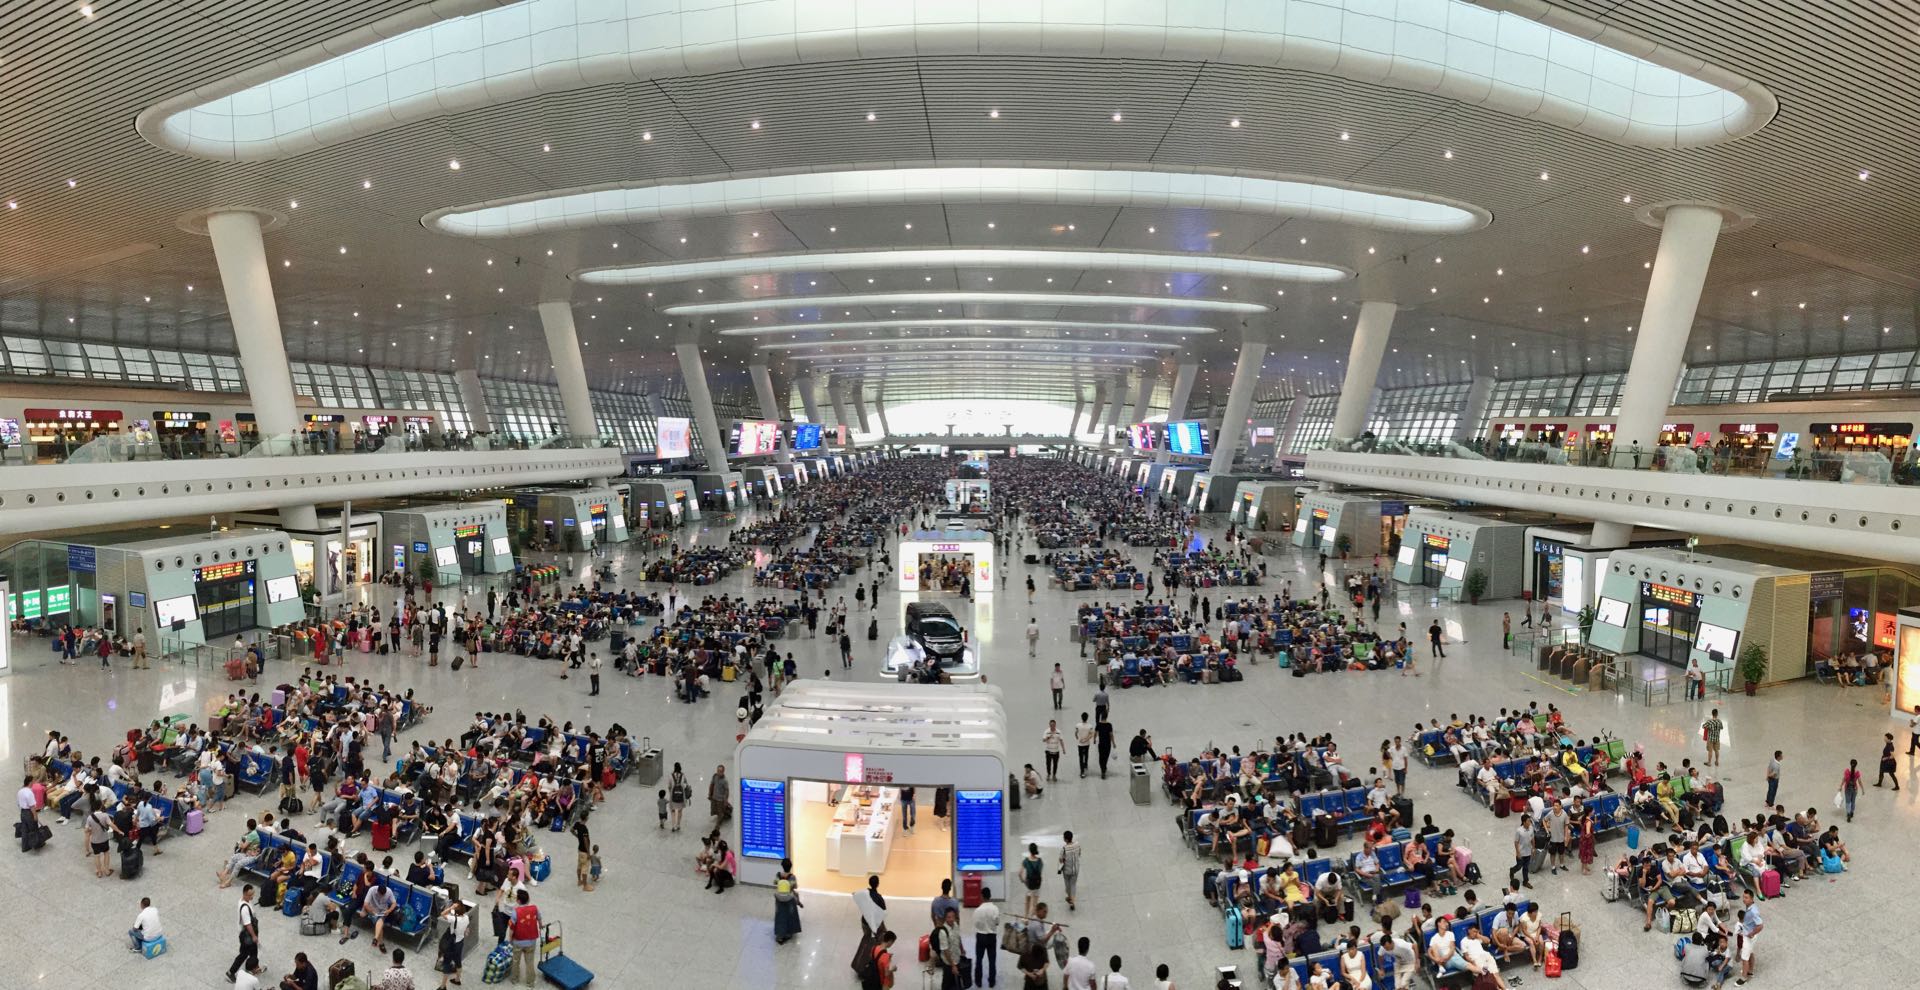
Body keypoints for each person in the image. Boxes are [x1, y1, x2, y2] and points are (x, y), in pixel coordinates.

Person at [226, 885, 263, 983]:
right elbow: (248, 924)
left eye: (252, 894)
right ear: (244, 894)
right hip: (247, 936)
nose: (252, 897)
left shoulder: (244, 901)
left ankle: (254, 967)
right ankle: (231, 972)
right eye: (250, 895)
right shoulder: (244, 909)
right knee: (244, 954)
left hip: (247, 935)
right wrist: (254, 936)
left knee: (253, 951)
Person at [509, 889, 542, 987]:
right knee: (530, 962)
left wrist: (510, 939)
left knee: (515, 961)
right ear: (528, 899)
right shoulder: (534, 908)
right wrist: (540, 926)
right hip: (531, 941)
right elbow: (539, 919)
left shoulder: (516, 912)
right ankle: (530, 982)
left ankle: (515, 979)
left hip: (518, 941)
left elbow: (511, 928)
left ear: (518, 901)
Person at [972, 886, 1000, 988]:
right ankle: (991, 981)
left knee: (979, 959)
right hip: (992, 937)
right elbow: (997, 923)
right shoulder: (995, 908)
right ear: (990, 896)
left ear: (982, 896)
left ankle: (978, 981)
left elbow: (976, 924)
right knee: (992, 960)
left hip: (981, 936)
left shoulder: (978, 910)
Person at [436, 902, 469, 989]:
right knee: (458, 961)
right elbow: (466, 929)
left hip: (451, 944)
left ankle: (443, 986)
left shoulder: (453, 919)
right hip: (460, 943)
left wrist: (451, 907)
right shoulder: (466, 917)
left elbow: (442, 914)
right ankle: (457, 980)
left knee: (447, 963)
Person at [930, 906, 964, 990]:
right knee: (947, 983)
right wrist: (953, 966)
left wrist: (962, 949)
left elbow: (958, 938)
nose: (951, 919)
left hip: (957, 958)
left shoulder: (956, 925)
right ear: (945, 918)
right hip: (948, 963)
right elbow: (945, 950)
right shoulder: (943, 932)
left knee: (957, 981)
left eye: (953, 917)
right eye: (949, 917)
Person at [773, 858, 804, 944]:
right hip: (789, 898)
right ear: (791, 867)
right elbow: (795, 886)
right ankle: (789, 932)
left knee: (780, 915)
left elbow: (775, 882)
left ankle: (779, 934)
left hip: (779, 899)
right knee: (790, 915)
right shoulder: (792, 876)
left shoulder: (778, 875)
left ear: (782, 866)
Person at [1735, 889, 1762, 985]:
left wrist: (1751, 933)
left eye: (1746, 898)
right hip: (1749, 933)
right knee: (1750, 953)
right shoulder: (1750, 906)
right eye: (1743, 897)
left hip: (1749, 936)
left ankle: (1744, 978)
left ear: (1752, 899)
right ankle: (1750, 971)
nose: (1744, 899)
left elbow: (1760, 925)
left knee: (1744, 958)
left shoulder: (1753, 911)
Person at [1059, 830, 1082, 911]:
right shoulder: (1077, 844)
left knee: (1067, 885)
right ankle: (1072, 900)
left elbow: (1061, 860)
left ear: (1066, 839)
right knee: (1073, 885)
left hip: (1067, 871)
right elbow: (1079, 854)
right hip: (1076, 869)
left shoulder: (1064, 849)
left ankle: (1070, 897)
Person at [1021, 842, 1045, 917]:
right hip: (1037, 884)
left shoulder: (1026, 861)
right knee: (1034, 903)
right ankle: (1032, 917)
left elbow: (1019, 873)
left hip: (1029, 884)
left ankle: (1026, 916)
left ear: (1029, 850)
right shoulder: (1040, 861)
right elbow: (1040, 872)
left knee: (1028, 900)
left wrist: (1023, 880)